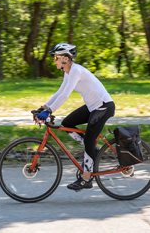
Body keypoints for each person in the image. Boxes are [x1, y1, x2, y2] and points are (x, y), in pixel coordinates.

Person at [35, 43, 115, 191]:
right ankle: (91, 150)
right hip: (93, 107)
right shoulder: (68, 72)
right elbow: (59, 92)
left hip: (103, 106)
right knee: (67, 123)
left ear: (65, 58)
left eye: (56, 58)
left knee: (90, 140)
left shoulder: (76, 71)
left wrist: (50, 111)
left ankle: (87, 178)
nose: (55, 61)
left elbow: (66, 95)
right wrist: (44, 107)